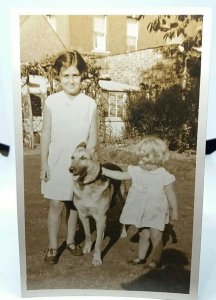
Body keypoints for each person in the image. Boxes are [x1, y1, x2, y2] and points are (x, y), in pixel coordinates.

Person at [40, 50, 97, 264]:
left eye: (75, 75)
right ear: (58, 77)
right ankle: (53, 246)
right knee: (56, 204)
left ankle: (71, 241)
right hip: (56, 162)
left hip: (79, 166)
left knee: (75, 204)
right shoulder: (52, 102)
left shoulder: (89, 104)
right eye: (66, 76)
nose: (71, 80)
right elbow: (45, 133)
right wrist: (43, 164)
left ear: (82, 75)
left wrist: (89, 164)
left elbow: (93, 137)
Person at [102, 137, 178, 269]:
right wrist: (103, 170)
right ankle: (140, 257)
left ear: (154, 158)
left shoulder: (163, 175)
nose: (139, 161)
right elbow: (121, 175)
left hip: (156, 210)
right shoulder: (137, 171)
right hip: (141, 209)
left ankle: (155, 260)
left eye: (142, 158)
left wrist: (175, 210)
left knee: (156, 235)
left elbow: (170, 193)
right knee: (143, 233)